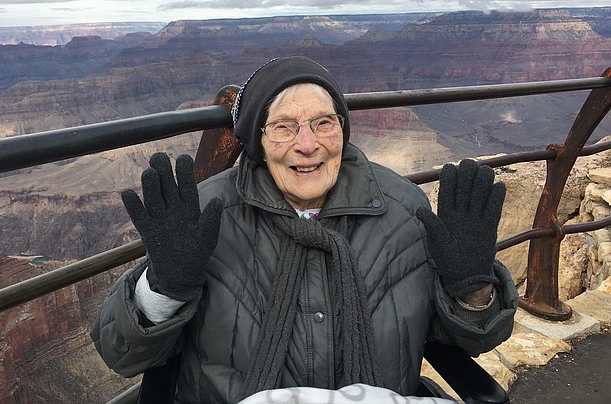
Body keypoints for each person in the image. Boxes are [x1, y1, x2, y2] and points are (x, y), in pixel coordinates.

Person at [91, 56, 518, 403]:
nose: (307, 143)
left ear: (342, 129)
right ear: (258, 141)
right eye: (284, 127)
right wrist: (164, 290)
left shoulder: (403, 209)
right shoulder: (206, 216)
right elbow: (120, 353)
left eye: (323, 122)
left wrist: (472, 291)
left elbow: (463, 340)